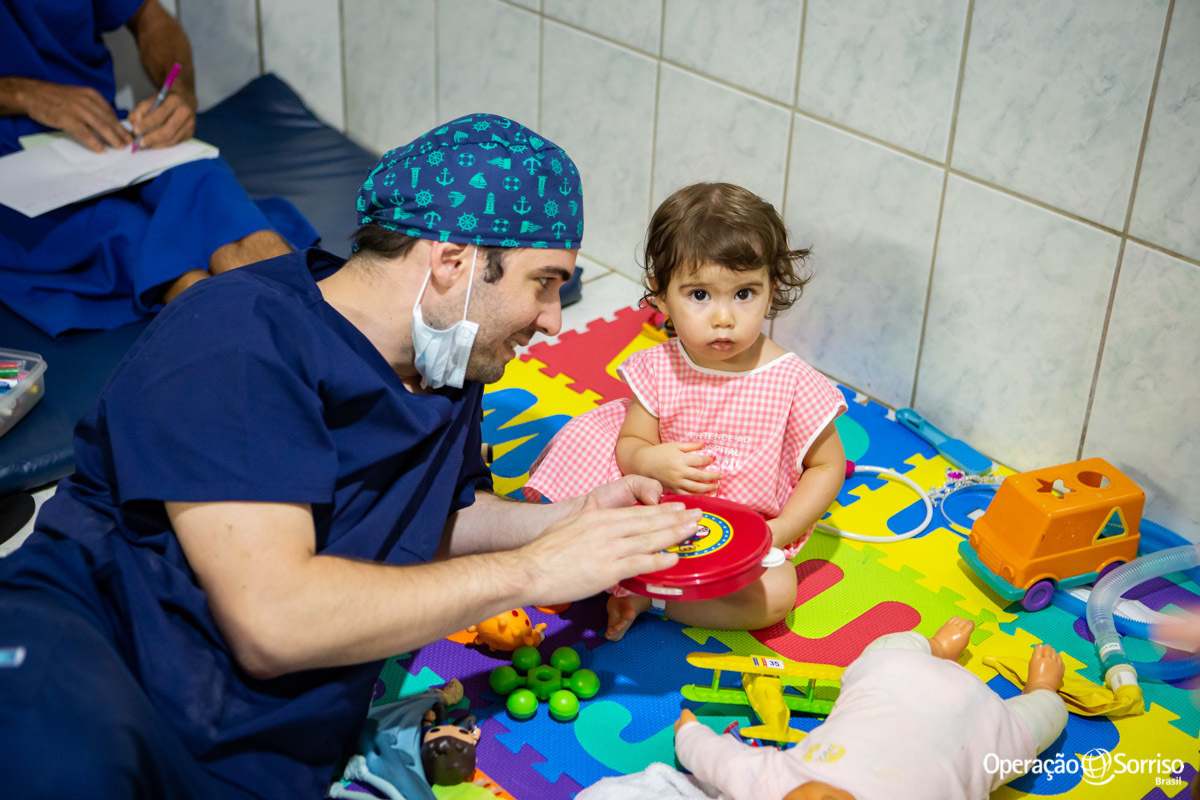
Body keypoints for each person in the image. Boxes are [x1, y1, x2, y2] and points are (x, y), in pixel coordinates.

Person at [0, 113, 700, 800]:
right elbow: (274, 623)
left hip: (260, 755)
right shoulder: (238, 337)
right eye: (544, 282)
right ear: (453, 259)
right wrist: (532, 571)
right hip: (96, 664)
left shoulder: (446, 369)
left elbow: (434, 518)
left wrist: (568, 523)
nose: (553, 318)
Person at [524, 182, 847, 641]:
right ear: (661, 294)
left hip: (747, 536)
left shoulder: (792, 380)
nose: (724, 317)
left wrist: (782, 529)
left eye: (744, 294)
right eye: (699, 295)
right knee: (577, 528)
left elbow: (828, 465)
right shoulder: (659, 368)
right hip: (660, 520)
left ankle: (648, 598)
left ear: (771, 288)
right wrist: (650, 460)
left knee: (776, 598)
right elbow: (630, 444)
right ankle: (639, 584)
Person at [0, 0, 314, 336]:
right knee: (127, 234)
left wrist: (179, 92)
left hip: (111, 135)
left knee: (210, 189)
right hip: (11, 168)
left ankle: (326, 335)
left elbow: (150, 18)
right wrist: (24, 94)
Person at [671, 617, 1069, 800]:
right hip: (992, 732)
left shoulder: (770, 782)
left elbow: (717, 759)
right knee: (1047, 717)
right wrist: (1044, 696)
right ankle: (1043, 689)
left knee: (881, 651)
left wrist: (687, 732)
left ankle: (935, 647)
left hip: (898, 677)